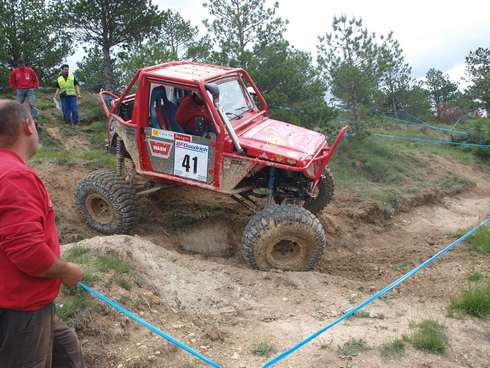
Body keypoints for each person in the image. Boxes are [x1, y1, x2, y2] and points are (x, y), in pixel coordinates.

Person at [0, 100, 85, 367]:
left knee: (67, 350)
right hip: (20, 306)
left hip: (25, 300)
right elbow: (27, 250)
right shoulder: (15, 176)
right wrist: (66, 270)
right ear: (27, 125)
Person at [8, 56, 40, 122]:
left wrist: (35, 86)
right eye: (19, 64)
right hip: (20, 90)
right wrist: (14, 89)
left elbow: (35, 79)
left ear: (24, 63)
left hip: (30, 89)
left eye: (22, 63)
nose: (21, 65)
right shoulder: (15, 72)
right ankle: (17, 118)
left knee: (32, 103)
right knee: (17, 104)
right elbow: (11, 81)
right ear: (17, 64)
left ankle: (34, 118)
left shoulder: (30, 70)